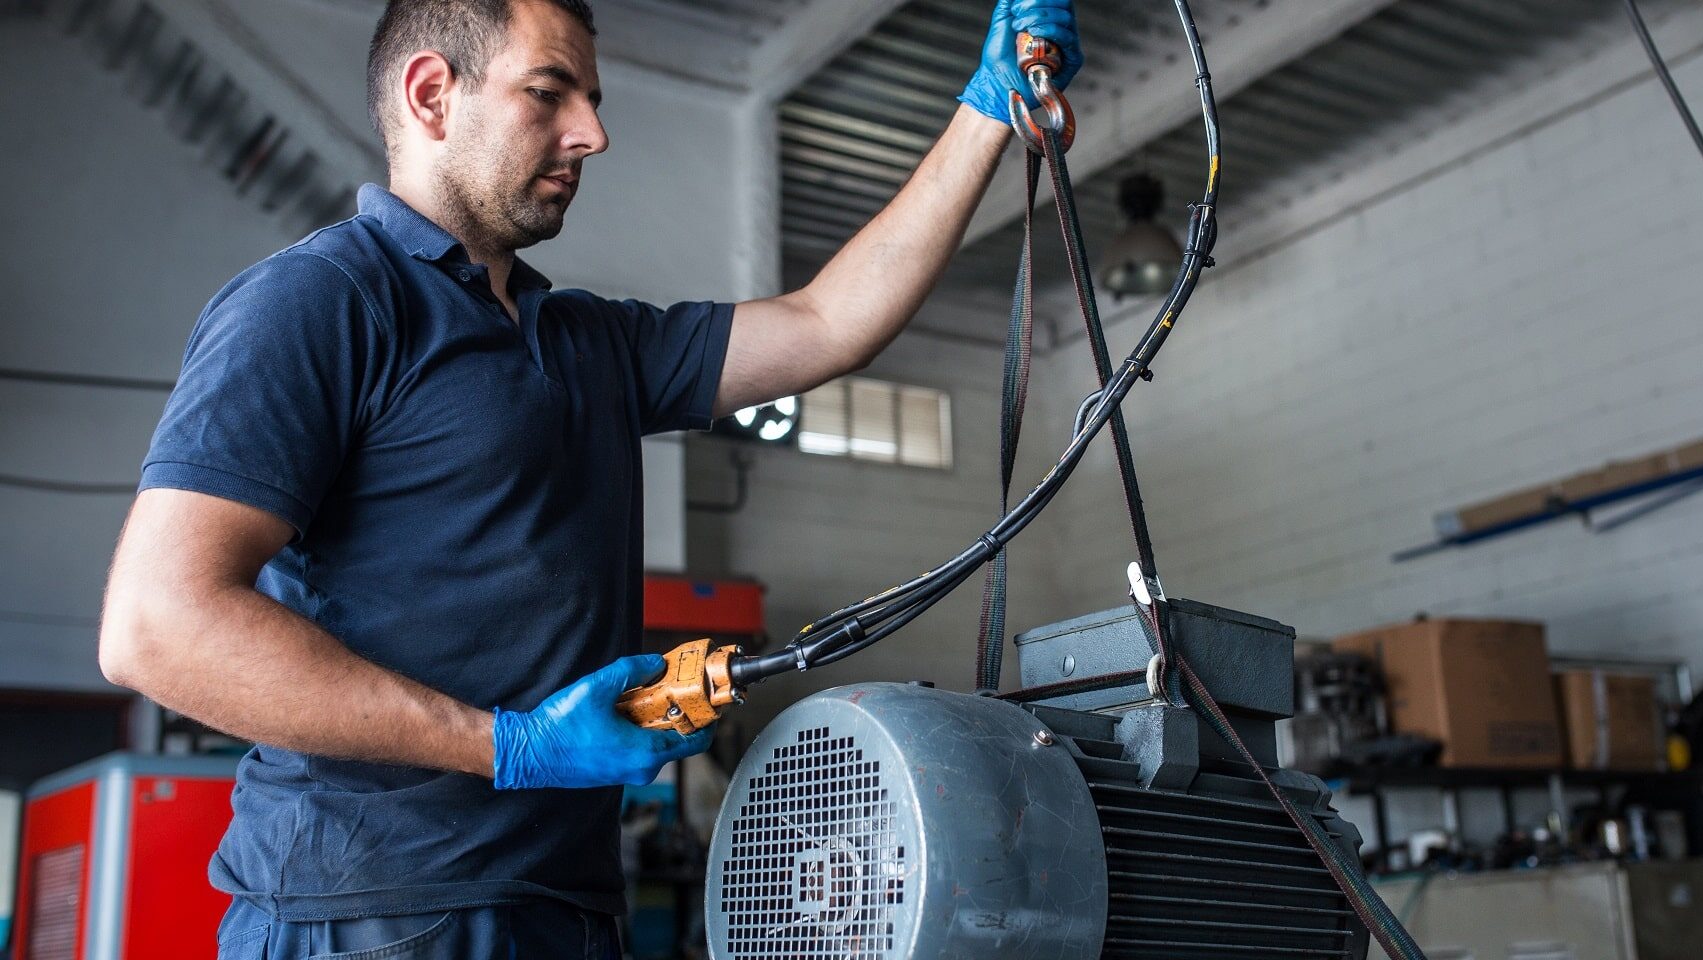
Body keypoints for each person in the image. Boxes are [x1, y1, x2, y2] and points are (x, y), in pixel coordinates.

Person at [95, 0, 1079, 956]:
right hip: (371, 911)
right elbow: (157, 625)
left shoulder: (589, 342)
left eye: (592, 97)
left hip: (564, 906)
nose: (594, 133)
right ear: (433, 94)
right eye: (550, 92)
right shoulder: (320, 302)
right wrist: (506, 745)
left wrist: (986, 107)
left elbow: (829, 324)